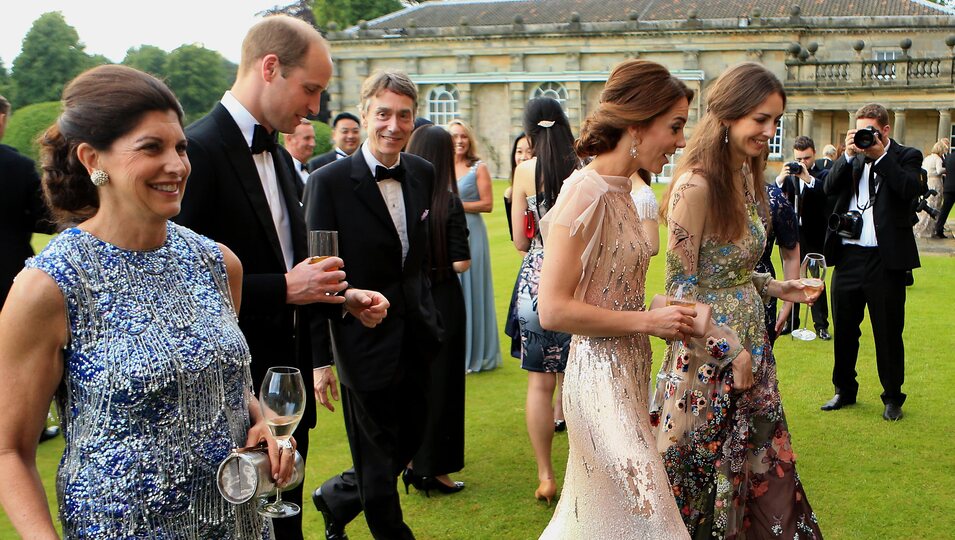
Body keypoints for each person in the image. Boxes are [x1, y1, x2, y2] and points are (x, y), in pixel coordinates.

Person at [0, 64, 295, 538]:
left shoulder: (217, 263)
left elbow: (223, 381)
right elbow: (9, 451)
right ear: (93, 159)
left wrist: (258, 419)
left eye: (180, 146)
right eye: (151, 148)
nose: (177, 165)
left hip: (239, 525)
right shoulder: (51, 285)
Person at [174, 16, 388, 540]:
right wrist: (285, 289)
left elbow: (293, 263)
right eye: (310, 89)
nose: (315, 108)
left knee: (285, 524)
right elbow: (179, 288)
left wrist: (342, 296)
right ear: (270, 68)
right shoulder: (196, 152)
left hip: (287, 391)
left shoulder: (283, 157)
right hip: (228, 396)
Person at [651, 62, 823, 539]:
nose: (769, 132)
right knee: (702, 476)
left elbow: (734, 269)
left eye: (775, 121)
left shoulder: (747, 178)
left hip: (754, 345)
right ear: (727, 115)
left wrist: (777, 287)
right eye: (760, 120)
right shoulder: (695, 186)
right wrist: (730, 348)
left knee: (760, 468)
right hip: (708, 358)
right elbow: (680, 289)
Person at [535, 59, 698, 538]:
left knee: (609, 518)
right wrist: (647, 323)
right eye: (675, 126)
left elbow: (612, 292)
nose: (682, 141)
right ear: (635, 125)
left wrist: (652, 312)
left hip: (630, 371)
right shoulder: (582, 191)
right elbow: (553, 309)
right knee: (654, 516)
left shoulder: (625, 190)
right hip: (597, 379)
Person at [306, 70, 443, 540]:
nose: (393, 125)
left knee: (408, 441)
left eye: (404, 115)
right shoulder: (328, 183)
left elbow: (418, 261)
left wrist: (429, 314)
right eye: (383, 113)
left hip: (419, 335)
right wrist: (320, 360)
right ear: (364, 113)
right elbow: (315, 275)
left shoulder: (423, 172)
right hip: (360, 340)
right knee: (375, 457)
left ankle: (338, 496)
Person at [822, 103, 923, 421]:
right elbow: (828, 187)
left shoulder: (907, 156)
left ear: (886, 130)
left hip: (886, 260)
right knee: (845, 329)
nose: (866, 136)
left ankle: (892, 397)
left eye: (872, 131)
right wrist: (849, 155)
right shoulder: (852, 158)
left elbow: (908, 189)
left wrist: (880, 156)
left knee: (888, 331)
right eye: (860, 130)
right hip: (849, 256)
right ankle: (844, 390)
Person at [510, 98, 575, 505]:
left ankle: (546, 475)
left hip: (537, 279)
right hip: (579, 281)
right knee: (578, 378)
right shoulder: (583, 170)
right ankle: (583, 469)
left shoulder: (523, 172)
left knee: (540, 382)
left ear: (530, 133)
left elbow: (520, 239)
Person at [403, 124, 471, 496]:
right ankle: (435, 469)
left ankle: (413, 461)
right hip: (443, 296)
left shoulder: (404, 199)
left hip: (412, 297)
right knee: (443, 385)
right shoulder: (446, 200)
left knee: (416, 382)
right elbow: (462, 263)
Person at [450, 119, 502, 373]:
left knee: (474, 288)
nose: (459, 141)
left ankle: (478, 354)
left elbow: (487, 204)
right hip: (450, 232)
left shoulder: (477, 167)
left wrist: (455, 204)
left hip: (473, 232)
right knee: (454, 291)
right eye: (454, 137)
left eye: (463, 136)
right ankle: (456, 351)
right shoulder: (442, 166)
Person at [774, 135, 831, 340]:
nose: (802, 163)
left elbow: (826, 195)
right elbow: (774, 195)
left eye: (806, 158)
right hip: (791, 235)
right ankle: (791, 322)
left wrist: (808, 178)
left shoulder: (822, 174)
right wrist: (781, 177)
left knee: (815, 280)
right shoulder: (789, 176)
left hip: (813, 234)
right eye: (798, 159)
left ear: (813, 153)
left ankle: (821, 325)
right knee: (792, 279)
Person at [756, 182, 800, 343]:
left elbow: (791, 255)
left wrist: (787, 303)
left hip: (763, 292)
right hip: (715, 292)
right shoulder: (712, 191)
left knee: (758, 360)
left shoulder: (775, 199)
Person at [503, 132, 533, 361]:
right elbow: (518, 240)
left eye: (528, 151)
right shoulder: (511, 193)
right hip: (531, 264)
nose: (522, 157)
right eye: (519, 151)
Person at [914, 139, 947, 238]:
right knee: (934, 204)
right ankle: (928, 230)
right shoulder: (938, 159)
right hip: (935, 182)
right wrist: (947, 169)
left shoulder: (928, 158)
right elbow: (939, 170)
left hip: (927, 180)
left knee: (926, 204)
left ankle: (919, 228)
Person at [283, 118, 317, 192]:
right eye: (307, 138)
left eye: (313, 138)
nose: (313, 144)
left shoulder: (312, 168)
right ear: (289, 139)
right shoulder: (281, 170)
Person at [938, 143, 955, 238]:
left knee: (944, 211)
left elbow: (944, 167)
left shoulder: (949, 157)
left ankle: (939, 229)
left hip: (948, 187)